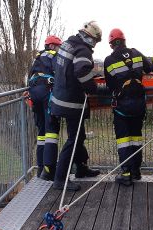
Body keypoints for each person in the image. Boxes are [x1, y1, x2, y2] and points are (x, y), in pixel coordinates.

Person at [49, 21, 102, 191]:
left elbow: (65, 68)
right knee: (74, 139)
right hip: (71, 102)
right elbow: (80, 71)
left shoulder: (68, 43)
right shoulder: (83, 50)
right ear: (91, 38)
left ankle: (81, 168)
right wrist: (93, 88)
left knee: (79, 136)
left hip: (59, 98)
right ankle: (60, 178)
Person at [103, 28, 151, 186]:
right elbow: (150, 67)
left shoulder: (109, 60)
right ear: (124, 41)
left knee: (124, 140)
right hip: (139, 104)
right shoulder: (136, 53)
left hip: (122, 107)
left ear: (111, 44)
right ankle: (136, 171)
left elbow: (110, 85)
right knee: (136, 138)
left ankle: (126, 173)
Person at [27, 35, 62, 178]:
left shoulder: (38, 57)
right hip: (47, 92)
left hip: (34, 92)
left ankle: (41, 168)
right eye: (58, 46)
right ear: (53, 46)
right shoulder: (53, 55)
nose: (59, 49)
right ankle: (49, 169)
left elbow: (29, 75)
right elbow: (59, 74)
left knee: (41, 132)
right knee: (51, 131)